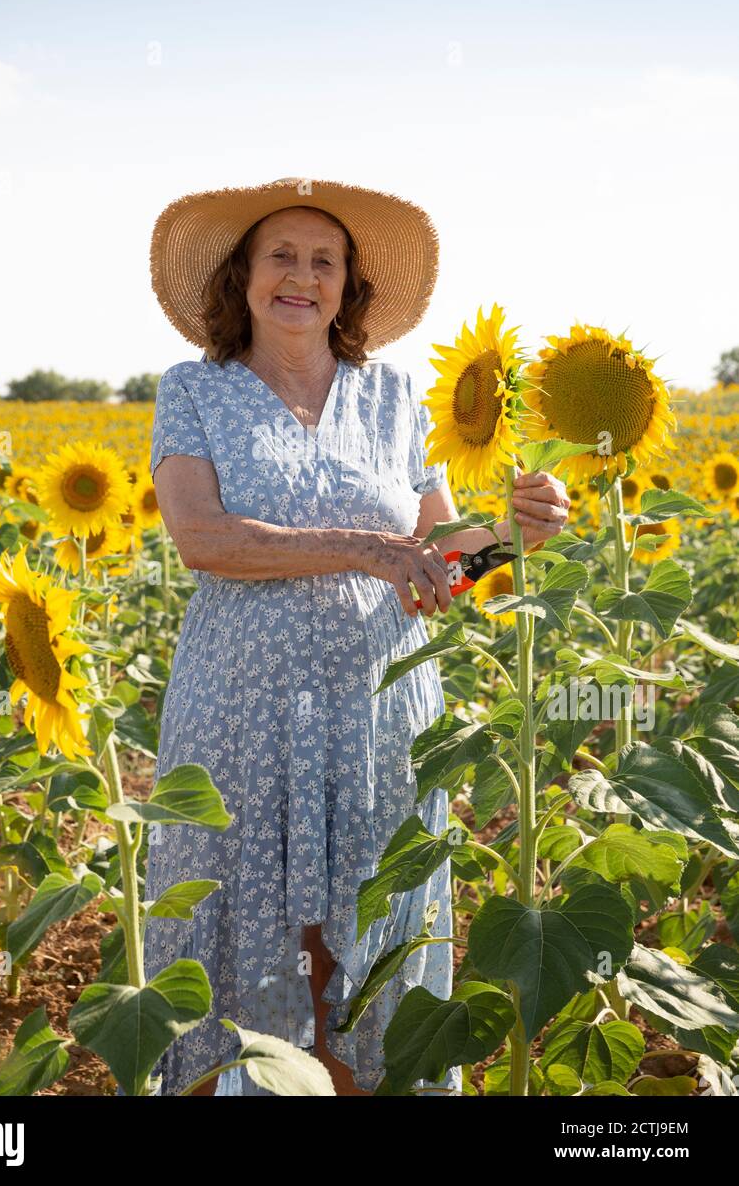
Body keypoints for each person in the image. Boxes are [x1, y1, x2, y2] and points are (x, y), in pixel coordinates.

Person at [144, 177, 570, 1096]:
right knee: (256, 945)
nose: (303, 277)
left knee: (368, 946)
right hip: (242, 714)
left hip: (377, 715)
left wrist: (513, 534)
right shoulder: (195, 391)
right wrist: (368, 548)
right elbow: (203, 539)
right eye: (282, 257)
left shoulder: (396, 398)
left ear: (348, 287)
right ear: (243, 278)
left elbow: (443, 560)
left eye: (324, 262)